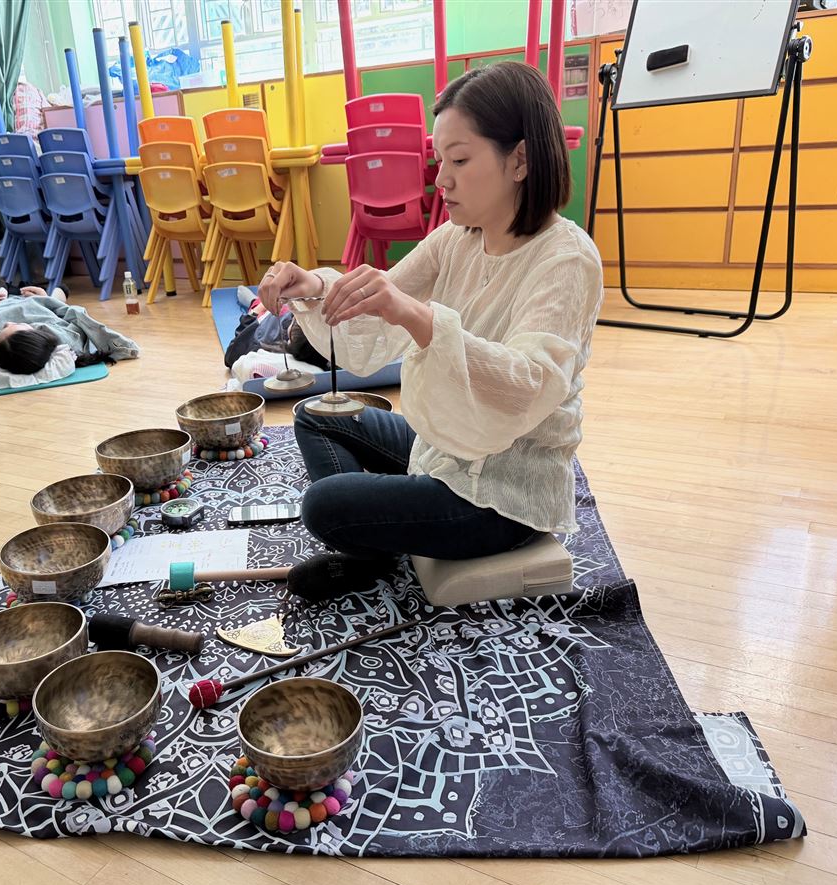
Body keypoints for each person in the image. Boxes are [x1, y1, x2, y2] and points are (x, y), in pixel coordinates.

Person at [258, 62, 605, 597]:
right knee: (315, 417)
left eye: (459, 160)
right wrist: (313, 286)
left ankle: (371, 539)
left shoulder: (567, 258)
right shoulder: (457, 237)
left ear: (520, 160)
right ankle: (376, 539)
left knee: (325, 505)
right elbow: (376, 308)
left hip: (501, 494)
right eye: (440, 160)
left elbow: (528, 385)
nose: (442, 179)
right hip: (445, 449)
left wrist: (420, 318)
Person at [0, 285, 139, 387]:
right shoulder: (64, 338)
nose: (8, 323)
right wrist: (47, 300)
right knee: (57, 293)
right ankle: (55, 293)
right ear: (38, 335)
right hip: (37, 306)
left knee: (1, 292)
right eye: (17, 326)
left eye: (1, 331)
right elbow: (70, 316)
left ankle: (8, 292)